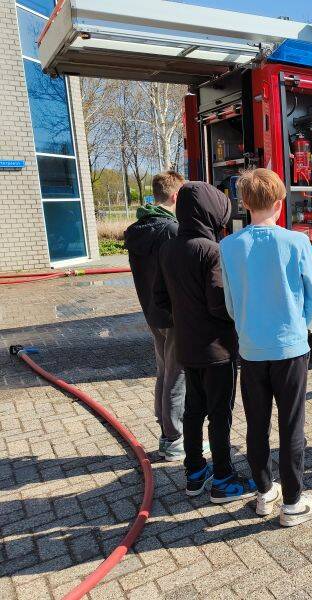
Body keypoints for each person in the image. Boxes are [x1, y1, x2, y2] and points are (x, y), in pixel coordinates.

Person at [219, 168, 312, 526]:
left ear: (244, 204)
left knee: (257, 424)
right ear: (280, 204)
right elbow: (311, 299)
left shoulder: (229, 246)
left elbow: (232, 304)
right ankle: (294, 502)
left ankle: (265, 492)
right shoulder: (296, 242)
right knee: (291, 424)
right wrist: (297, 325)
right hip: (291, 346)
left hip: (251, 350)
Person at [153, 181, 255, 503]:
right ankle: (224, 478)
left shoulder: (169, 247)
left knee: (194, 411)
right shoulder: (211, 250)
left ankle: (195, 472)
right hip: (217, 350)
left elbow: (159, 298)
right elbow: (218, 304)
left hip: (187, 347)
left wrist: (184, 319)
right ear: (208, 211)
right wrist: (239, 316)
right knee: (220, 414)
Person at [124, 170, 187, 461]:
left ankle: (165, 430)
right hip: (173, 316)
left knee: (164, 372)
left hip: (152, 313)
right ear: (175, 196)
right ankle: (174, 439)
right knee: (177, 376)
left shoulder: (138, 229)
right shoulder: (171, 230)